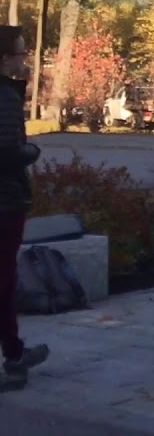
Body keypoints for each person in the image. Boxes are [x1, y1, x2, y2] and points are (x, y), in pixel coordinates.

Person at [0, 26, 49, 392]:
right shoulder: (4, 96)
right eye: (19, 53)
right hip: (4, 199)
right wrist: (31, 153)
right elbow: (6, 151)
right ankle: (14, 357)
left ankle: (15, 352)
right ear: (4, 59)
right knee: (3, 281)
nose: (24, 59)